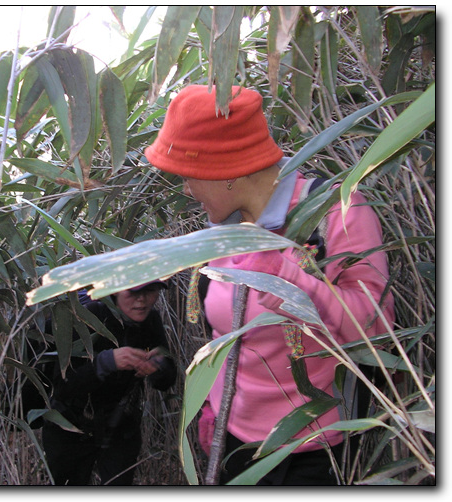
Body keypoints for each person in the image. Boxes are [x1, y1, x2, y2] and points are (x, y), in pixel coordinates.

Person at [144, 85, 395, 485]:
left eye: (189, 177)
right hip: (235, 445)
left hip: (316, 451)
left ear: (224, 169)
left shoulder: (335, 210)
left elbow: (377, 331)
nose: (187, 191)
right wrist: (212, 409)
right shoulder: (223, 232)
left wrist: (289, 279)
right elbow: (224, 334)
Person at [35, 281, 176, 485]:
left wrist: (159, 367)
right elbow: (63, 385)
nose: (142, 300)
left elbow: (167, 380)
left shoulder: (150, 320)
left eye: (151, 291)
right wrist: (106, 362)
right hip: (70, 428)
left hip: (120, 426)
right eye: (134, 291)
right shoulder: (85, 316)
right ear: (115, 290)